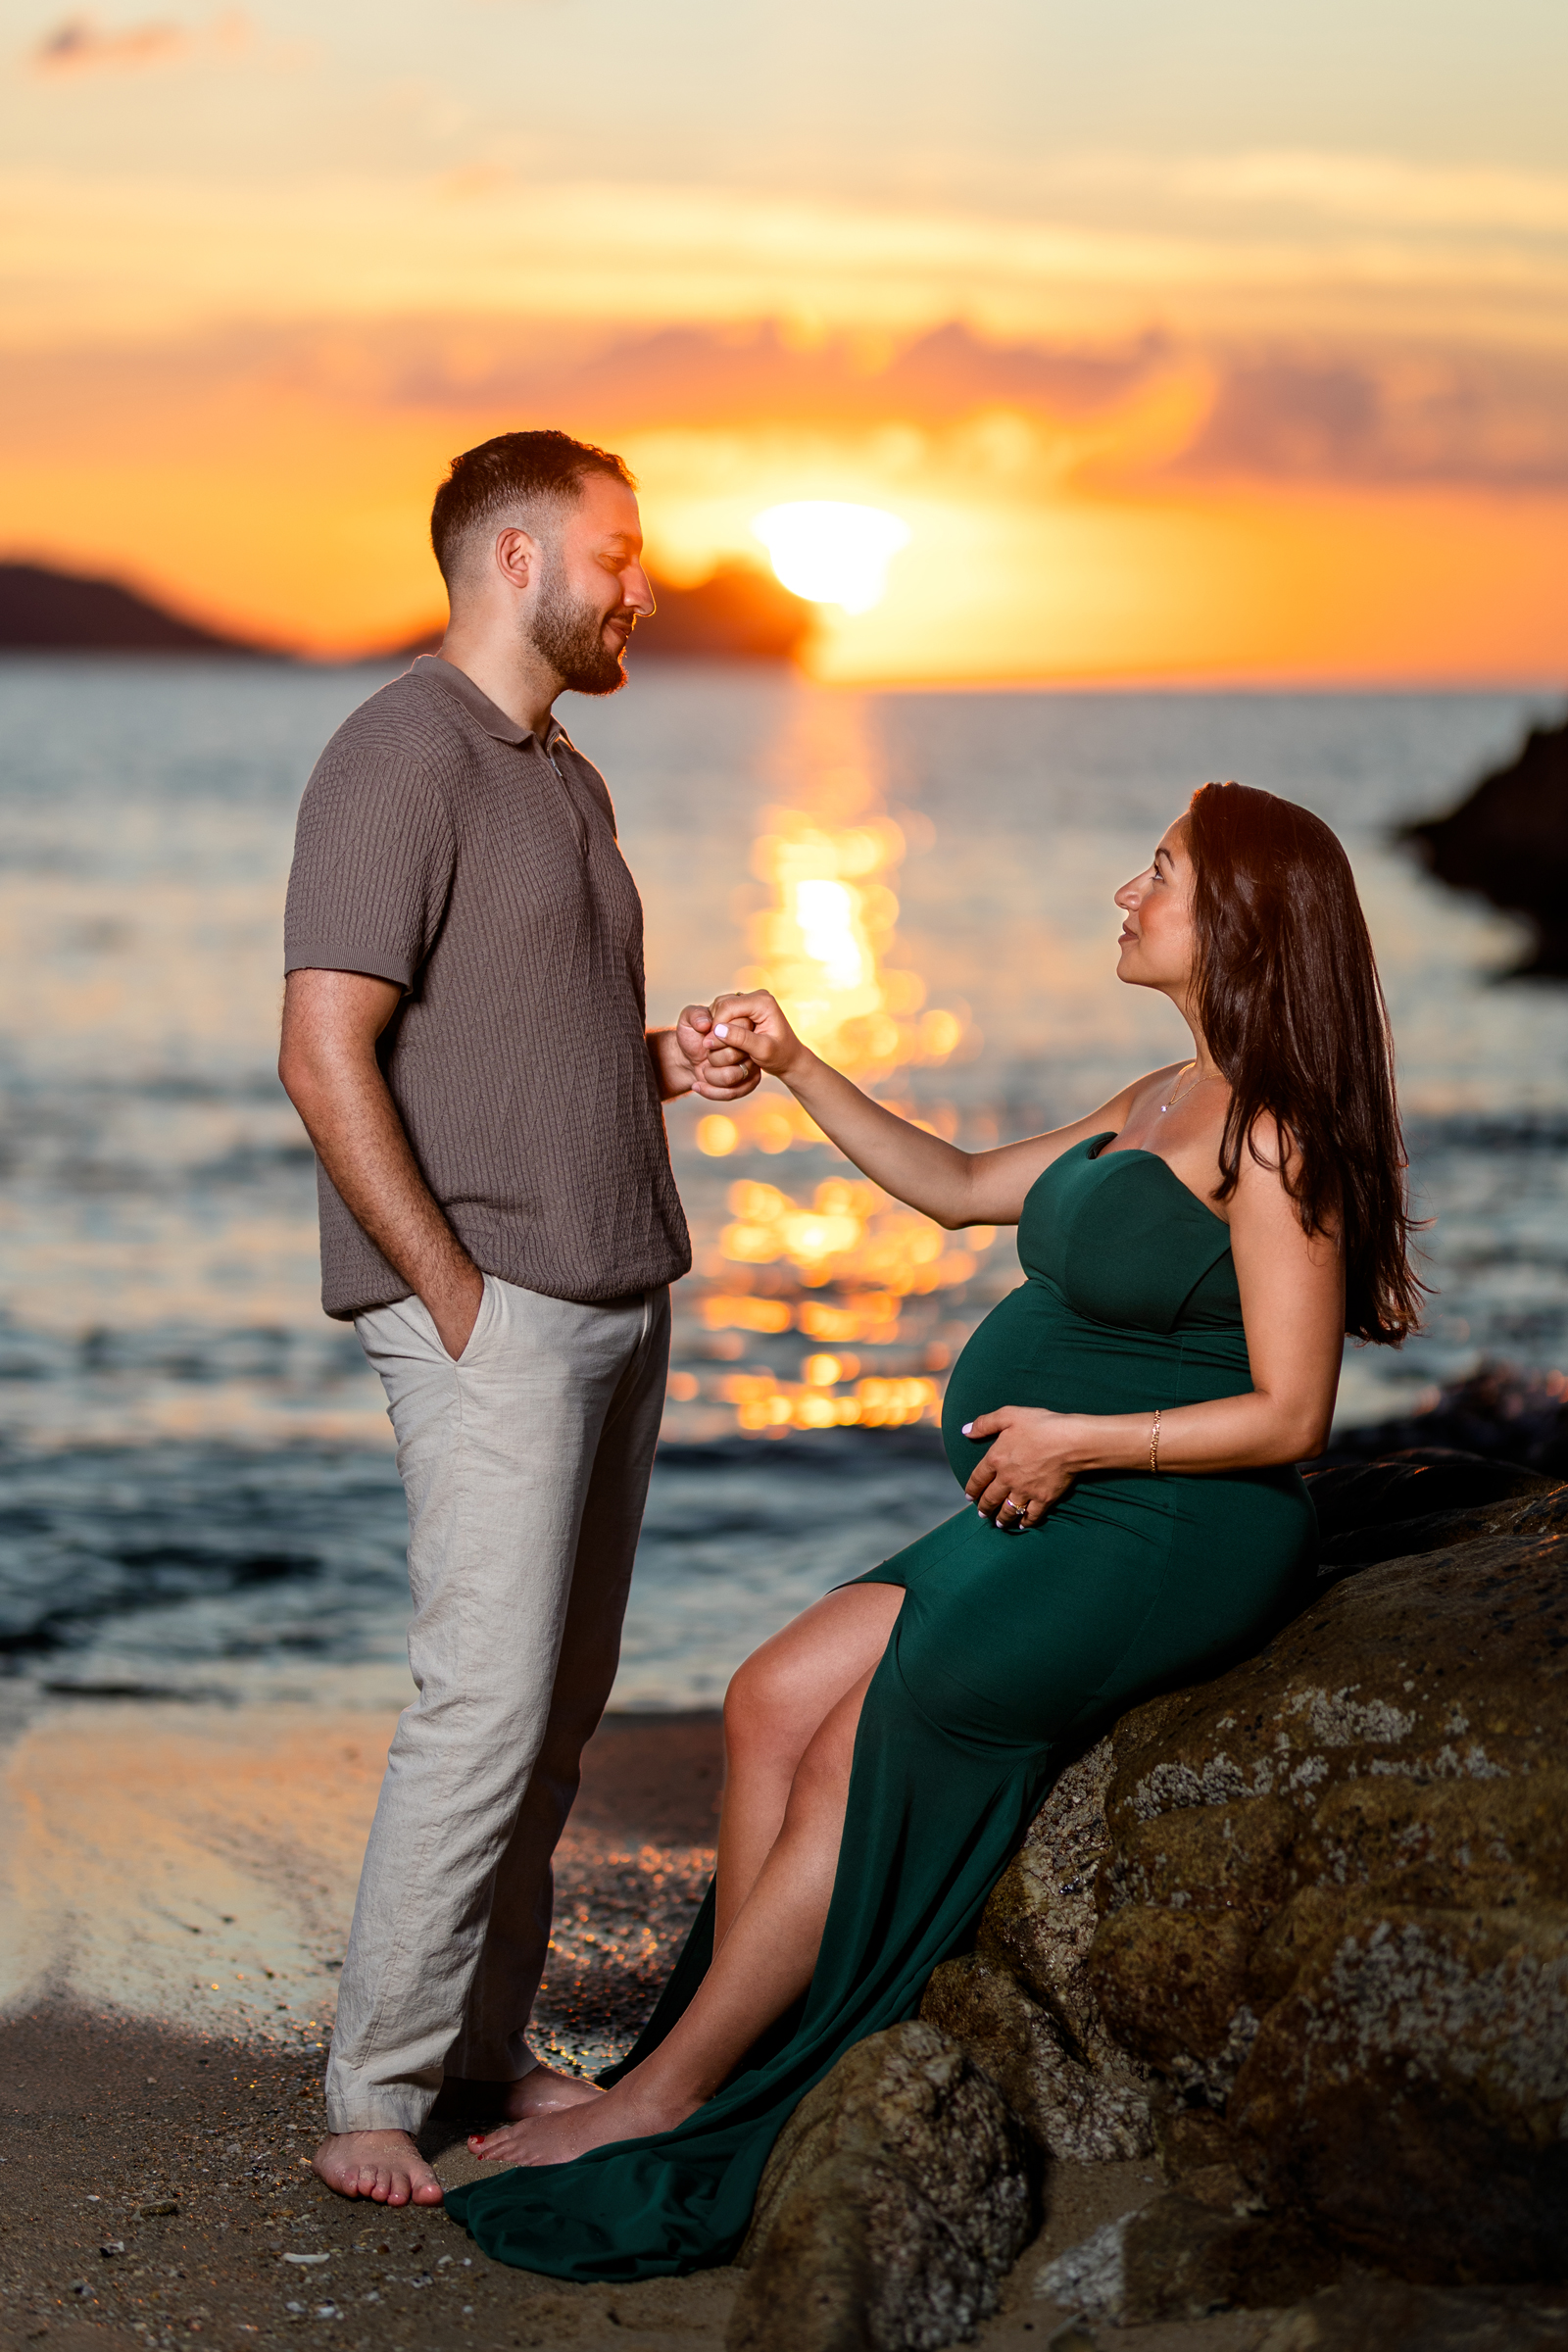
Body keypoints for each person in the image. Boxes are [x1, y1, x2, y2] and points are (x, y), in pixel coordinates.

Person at [441, 780, 1422, 2278]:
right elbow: (960, 1190)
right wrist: (795, 1065)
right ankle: (736, 2035)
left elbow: (1292, 1415)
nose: (1124, 893)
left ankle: (669, 2095)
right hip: (1062, 1495)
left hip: (1167, 1524)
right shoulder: (1162, 1095)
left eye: (1155, 873)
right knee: (768, 1693)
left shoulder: (1279, 1137)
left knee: (858, 1747)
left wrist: (1080, 1438)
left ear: (1234, 921)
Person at [277, 428, 759, 2209]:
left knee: (554, 1711)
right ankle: (374, 2099)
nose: (647, 583)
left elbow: (524, 1055)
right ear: (517, 562)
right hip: (497, 1305)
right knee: (479, 1705)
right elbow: (324, 1051)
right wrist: (456, 1299)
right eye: (619, 553)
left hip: (618, 1292)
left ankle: (482, 2052)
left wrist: (665, 1069)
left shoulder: (561, 771)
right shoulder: (400, 751)